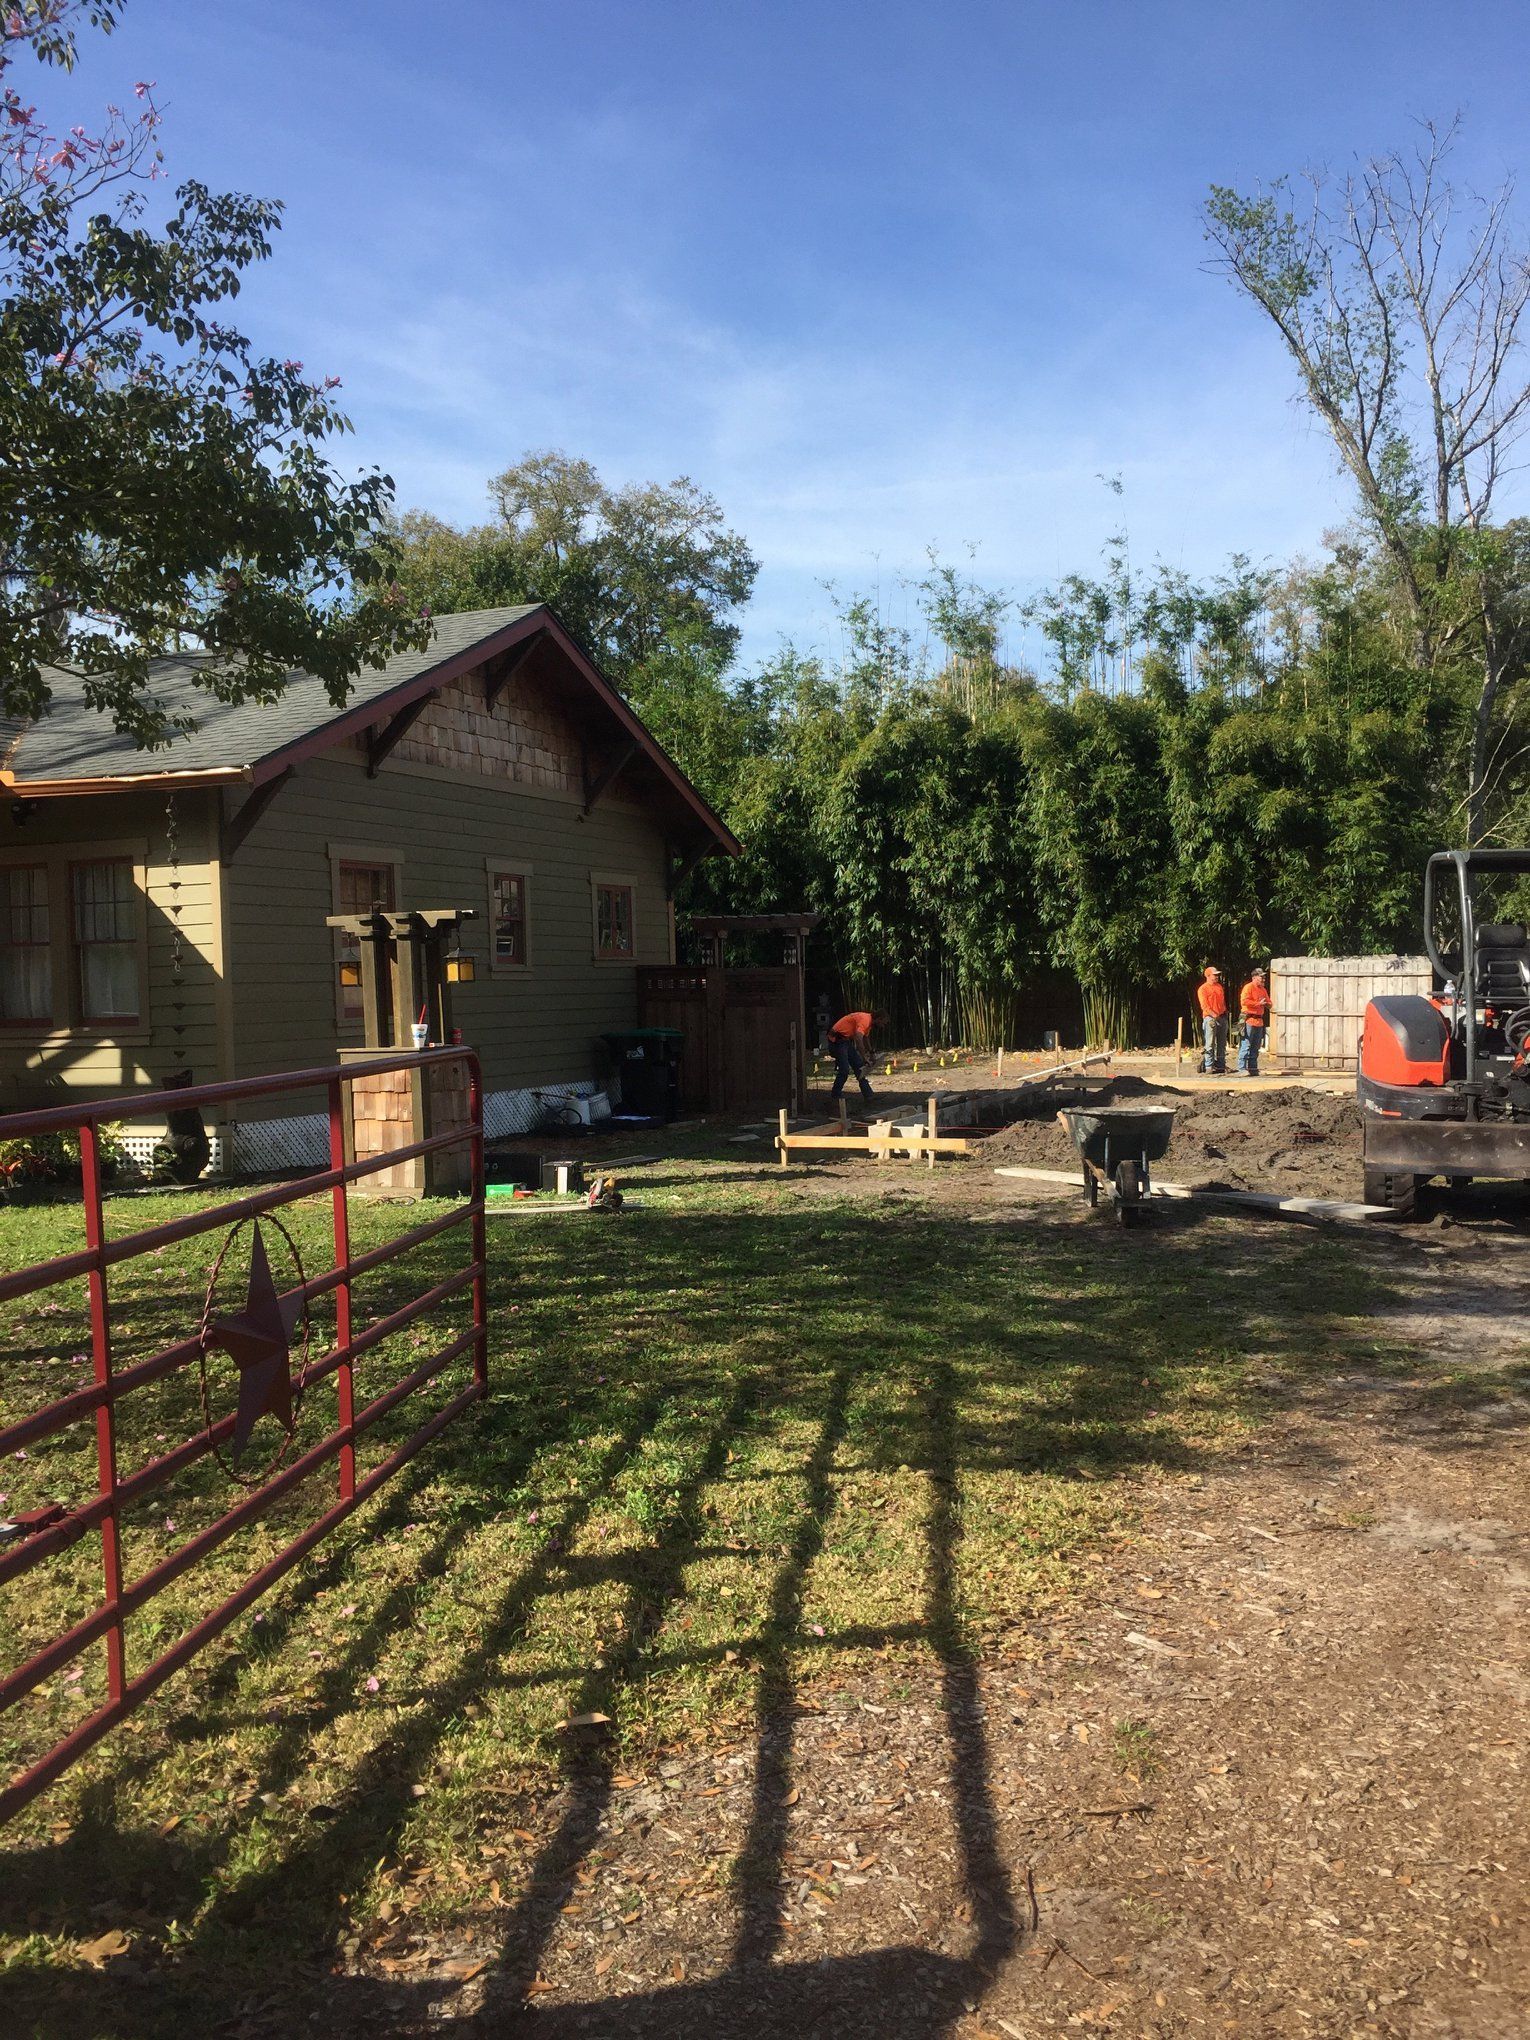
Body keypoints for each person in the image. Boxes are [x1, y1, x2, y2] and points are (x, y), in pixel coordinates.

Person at [827, 1008, 884, 1102]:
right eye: (883, 1023)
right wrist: (864, 1057)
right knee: (844, 1069)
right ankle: (835, 1095)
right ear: (879, 1019)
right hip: (837, 1040)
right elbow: (858, 1039)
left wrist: (871, 1052)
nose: (883, 1026)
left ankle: (869, 1096)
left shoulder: (868, 1020)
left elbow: (866, 1038)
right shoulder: (865, 1020)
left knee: (859, 1068)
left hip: (844, 1040)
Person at [1237, 966, 1272, 1076]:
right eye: (1261, 977)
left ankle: (1253, 1068)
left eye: (1264, 977)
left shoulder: (1263, 989)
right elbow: (1244, 1001)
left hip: (1259, 1021)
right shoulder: (1248, 987)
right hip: (1248, 1019)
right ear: (1254, 977)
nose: (1263, 979)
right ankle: (1241, 1068)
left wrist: (1267, 1004)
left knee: (1256, 1046)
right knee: (1246, 1044)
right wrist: (1258, 1003)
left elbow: (1270, 1003)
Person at [1196, 966, 1228, 1074]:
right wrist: (1214, 1015)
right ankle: (1208, 1065)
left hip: (1222, 1017)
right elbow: (1204, 1006)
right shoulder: (1203, 989)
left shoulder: (1219, 987)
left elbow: (1222, 1002)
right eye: (1215, 975)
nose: (1217, 977)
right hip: (1210, 1018)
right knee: (1210, 1043)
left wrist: (1224, 1013)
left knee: (1222, 1043)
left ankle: (1220, 1065)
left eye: (1217, 975)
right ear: (1208, 976)